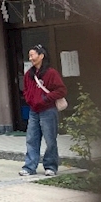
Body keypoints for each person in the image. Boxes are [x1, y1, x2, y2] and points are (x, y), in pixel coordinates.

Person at [19, 44, 67, 177]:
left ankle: (51, 166)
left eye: (32, 55)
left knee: (50, 140)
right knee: (31, 139)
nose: (30, 58)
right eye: (29, 56)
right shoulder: (29, 74)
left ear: (41, 56)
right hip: (33, 111)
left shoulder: (51, 73)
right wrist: (30, 100)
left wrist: (45, 99)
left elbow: (61, 90)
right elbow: (26, 90)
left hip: (48, 110)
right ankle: (29, 167)